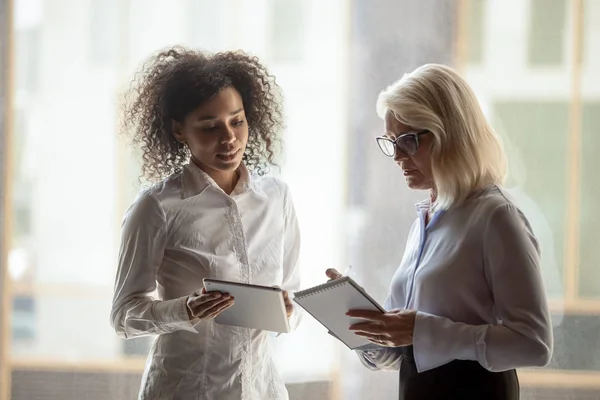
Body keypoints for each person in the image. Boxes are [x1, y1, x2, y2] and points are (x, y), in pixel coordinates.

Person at [326, 64, 552, 399]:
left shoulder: (496, 216)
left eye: (409, 140)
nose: (398, 156)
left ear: (451, 134)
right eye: (391, 142)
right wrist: (361, 324)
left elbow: (534, 344)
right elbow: (399, 351)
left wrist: (421, 329)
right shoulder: (424, 223)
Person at [110, 46, 301, 400]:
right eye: (210, 126)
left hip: (262, 389)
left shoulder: (277, 197)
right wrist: (185, 310)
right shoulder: (157, 206)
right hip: (185, 389)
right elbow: (124, 316)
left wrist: (290, 309)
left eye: (237, 121)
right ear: (179, 131)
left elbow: (292, 298)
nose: (228, 138)